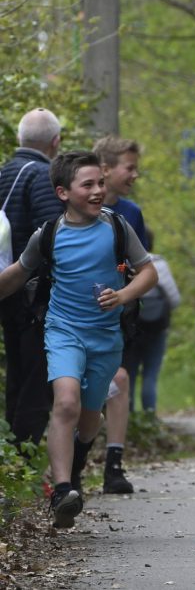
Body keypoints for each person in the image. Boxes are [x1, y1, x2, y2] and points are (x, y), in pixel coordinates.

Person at [0, 150, 157, 528]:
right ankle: (62, 490)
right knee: (65, 402)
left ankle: (79, 459)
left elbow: (147, 272)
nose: (98, 190)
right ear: (63, 192)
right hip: (63, 330)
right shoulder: (49, 234)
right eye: (87, 185)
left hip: (106, 337)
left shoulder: (117, 228)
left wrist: (122, 296)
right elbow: (19, 273)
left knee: (89, 418)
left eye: (100, 183)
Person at [0, 108, 64, 448]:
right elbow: (50, 236)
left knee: (17, 373)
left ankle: (11, 452)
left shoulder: (4, 172)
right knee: (36, 379)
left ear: (20, 139)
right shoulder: (42, 175)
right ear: (55, 142)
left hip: (5, 291)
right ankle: (24, 452)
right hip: (33, 297)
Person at [93, 135, 150, 495]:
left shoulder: (131, 214)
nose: (134, 174)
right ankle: (69, 465)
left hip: (122, 314)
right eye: (129, 168)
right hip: (78, 314)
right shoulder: (72, 208)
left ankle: (113, 465)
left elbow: (142, 265)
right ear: (106, 169)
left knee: (122, 380)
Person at [122, 229, 181, 415]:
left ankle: (128, 416)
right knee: (150, 374)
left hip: (131, 327)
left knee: (128, 373)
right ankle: (149, 416)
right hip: (157, 328)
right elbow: (174, 299)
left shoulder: (125, 265)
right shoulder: (159, 264)